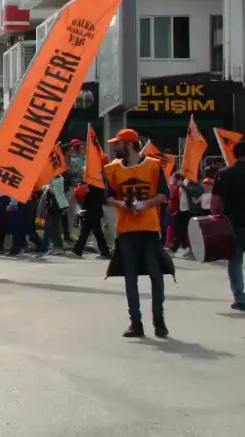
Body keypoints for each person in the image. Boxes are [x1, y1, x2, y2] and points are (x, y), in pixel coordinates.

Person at [104, 128, 170, 339]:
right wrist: (121, 204)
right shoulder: (112, 169)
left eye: (118, 143)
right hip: (125, 231)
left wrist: (146, 204)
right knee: (129, 278)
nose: (115, 147)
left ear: (129, 145)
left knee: (156, 276)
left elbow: (163, 195)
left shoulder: (152, 165)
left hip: (149, 229)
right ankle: (136, 323)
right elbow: (108, 197)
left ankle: (159, 321)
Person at [208, 139, 245, 311]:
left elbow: (215, 202)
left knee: (235, 263)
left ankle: (240, 299)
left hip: (231, 226)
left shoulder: (223, 174)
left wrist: (216, 218)